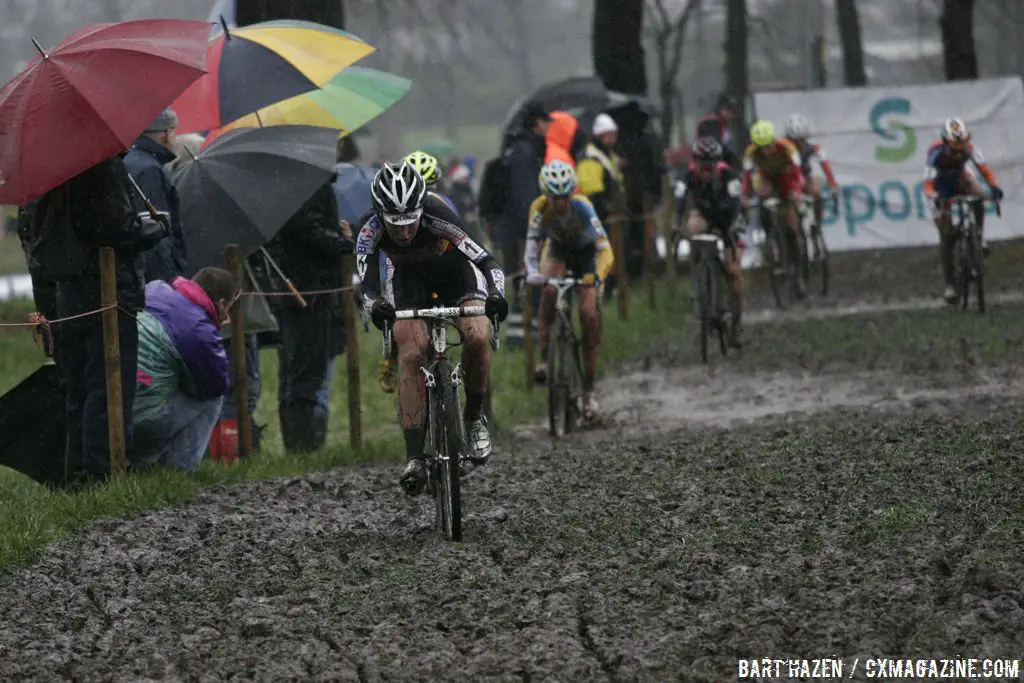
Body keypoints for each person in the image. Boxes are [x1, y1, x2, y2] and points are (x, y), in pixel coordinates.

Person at [356, 162, 508, 496]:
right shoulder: (367, 229)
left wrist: (497, 294)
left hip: (456, 275)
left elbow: (487, 261)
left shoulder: (438, 214)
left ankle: (473, 418)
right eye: (396, 226)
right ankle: (414, 456)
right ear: (380, 214)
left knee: (478, 334)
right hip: (410, 283)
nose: (405, 232)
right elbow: (366, 287)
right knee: (411, 351)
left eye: (410, 222)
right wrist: (376, 306)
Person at [26, 154, 163, 488]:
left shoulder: (52, 167)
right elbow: (112, 226)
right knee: (108, 385)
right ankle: (105, 473)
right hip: (104, 289)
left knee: (79, 389)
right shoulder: (101, 165)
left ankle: (78, 473)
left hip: (68, 291)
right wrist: (150, 228)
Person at [268, 180, 354, 453]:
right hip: (312, 291)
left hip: (295, 287)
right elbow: (310, 229)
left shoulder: (282, 185)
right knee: (308, 371)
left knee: (295, 370)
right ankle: (306, 445)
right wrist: (342, 243)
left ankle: (299, 443)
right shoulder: (310, 185)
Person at [526, 161, 614, 418]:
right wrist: (532, 273)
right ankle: (545, 357)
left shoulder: (584, 207)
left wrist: (596, 277)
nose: (559, 204)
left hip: (587, 257)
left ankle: (588, 389)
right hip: (559, 252)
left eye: (564, 197)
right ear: (546, 195)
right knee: (549, 290)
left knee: (588, 313)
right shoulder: (539, 208)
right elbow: (531, 248)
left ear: (571, 194)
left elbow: (606, 250)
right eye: (554, 198)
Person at [131, 268, 235, 471]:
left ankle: (139, 461)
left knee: (155, 378)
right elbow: (216, 384)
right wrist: (214, 330)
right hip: (143, 417)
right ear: (222, 304)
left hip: (114, 401)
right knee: (213, 399)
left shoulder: (154, 289)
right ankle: (177, 469)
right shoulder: (200, 330)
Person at [923, 117, 1003, 304]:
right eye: (954, 145)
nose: (959, 149)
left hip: (960, 177)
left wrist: (993, 187)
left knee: (978, 194)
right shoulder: (935, 153)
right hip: (940, 184)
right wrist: (935, 198)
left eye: (962, 143)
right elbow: (927, 185)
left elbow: (984, 170)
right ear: (945, 142)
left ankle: (979, 237)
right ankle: (950, 284)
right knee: (946, 237)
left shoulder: (970, 148)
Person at [678, 137, 746, 348]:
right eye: (702, 164)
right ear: (695, 162)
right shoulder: (688, 176)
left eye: (711, 164)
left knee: (733, 271)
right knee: (692, 227)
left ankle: (736, 323)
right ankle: (700, 272)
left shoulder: (728, 175)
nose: (706, 169)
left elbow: (736, 205)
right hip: (705, 215)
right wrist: (675, 226)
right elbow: (679, 201)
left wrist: (733, 229)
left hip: (729, 219)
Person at [741, 119, 807, 298]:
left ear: (774, 141)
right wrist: (745, 197)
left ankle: (798, 272)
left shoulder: (787, 148)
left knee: (792, 227)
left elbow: (798, 174)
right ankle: (770, 238)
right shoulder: (751, 153)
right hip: (767, 179)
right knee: (761, 190)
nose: (767, 151)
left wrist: (796, 192)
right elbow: (747, 177)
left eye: (769, 146)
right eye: (762, 148)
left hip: (787, 178)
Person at [124, 108, 188, 283]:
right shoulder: (149, 170)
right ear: (166, 134)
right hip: (152, 280)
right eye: (175, 131)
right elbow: (156, 236)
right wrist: (167, 283)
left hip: (134, 274)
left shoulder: (131, 160)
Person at [782, 113, 839, 236]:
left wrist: (833, 185)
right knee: (792, 217)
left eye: (803, 139)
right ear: (789, 138)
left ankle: (817, 225)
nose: (800, 143)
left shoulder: (811, 148)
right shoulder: (781, 147)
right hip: (786, 183)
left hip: (803, 178)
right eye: (796, 140)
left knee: (816, 190)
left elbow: (825, 165)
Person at [577, 113, 625, 225]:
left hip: (611, 217)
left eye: (614, 135)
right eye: (609, 135)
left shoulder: (608, 154)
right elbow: (592, 193)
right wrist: (605, 211)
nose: (612, 140)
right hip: (598, 219)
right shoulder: (590, 157)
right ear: (599, 135)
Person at [696, 93, 741, 168]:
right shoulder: (710, 123)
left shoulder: (726, 126)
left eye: (733, 112)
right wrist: (734, 161)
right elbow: (714, 146)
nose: (730, 115)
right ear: (719, 109)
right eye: (728, 110)